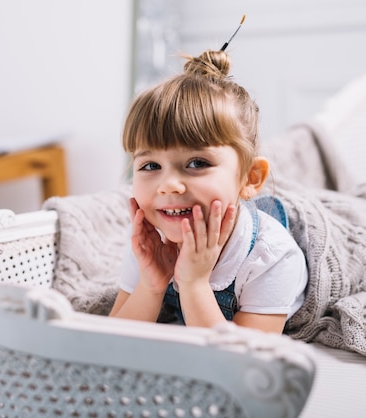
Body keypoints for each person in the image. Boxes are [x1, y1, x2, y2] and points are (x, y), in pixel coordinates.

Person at [109, 48, 308, 334]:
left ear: (250, 178)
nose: (168, 185)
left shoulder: (271, 256)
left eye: (197, 163)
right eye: (150, 165)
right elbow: (111, 342)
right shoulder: (150, 246)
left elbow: (241, 365)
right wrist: (150, 286)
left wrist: (193, 284)